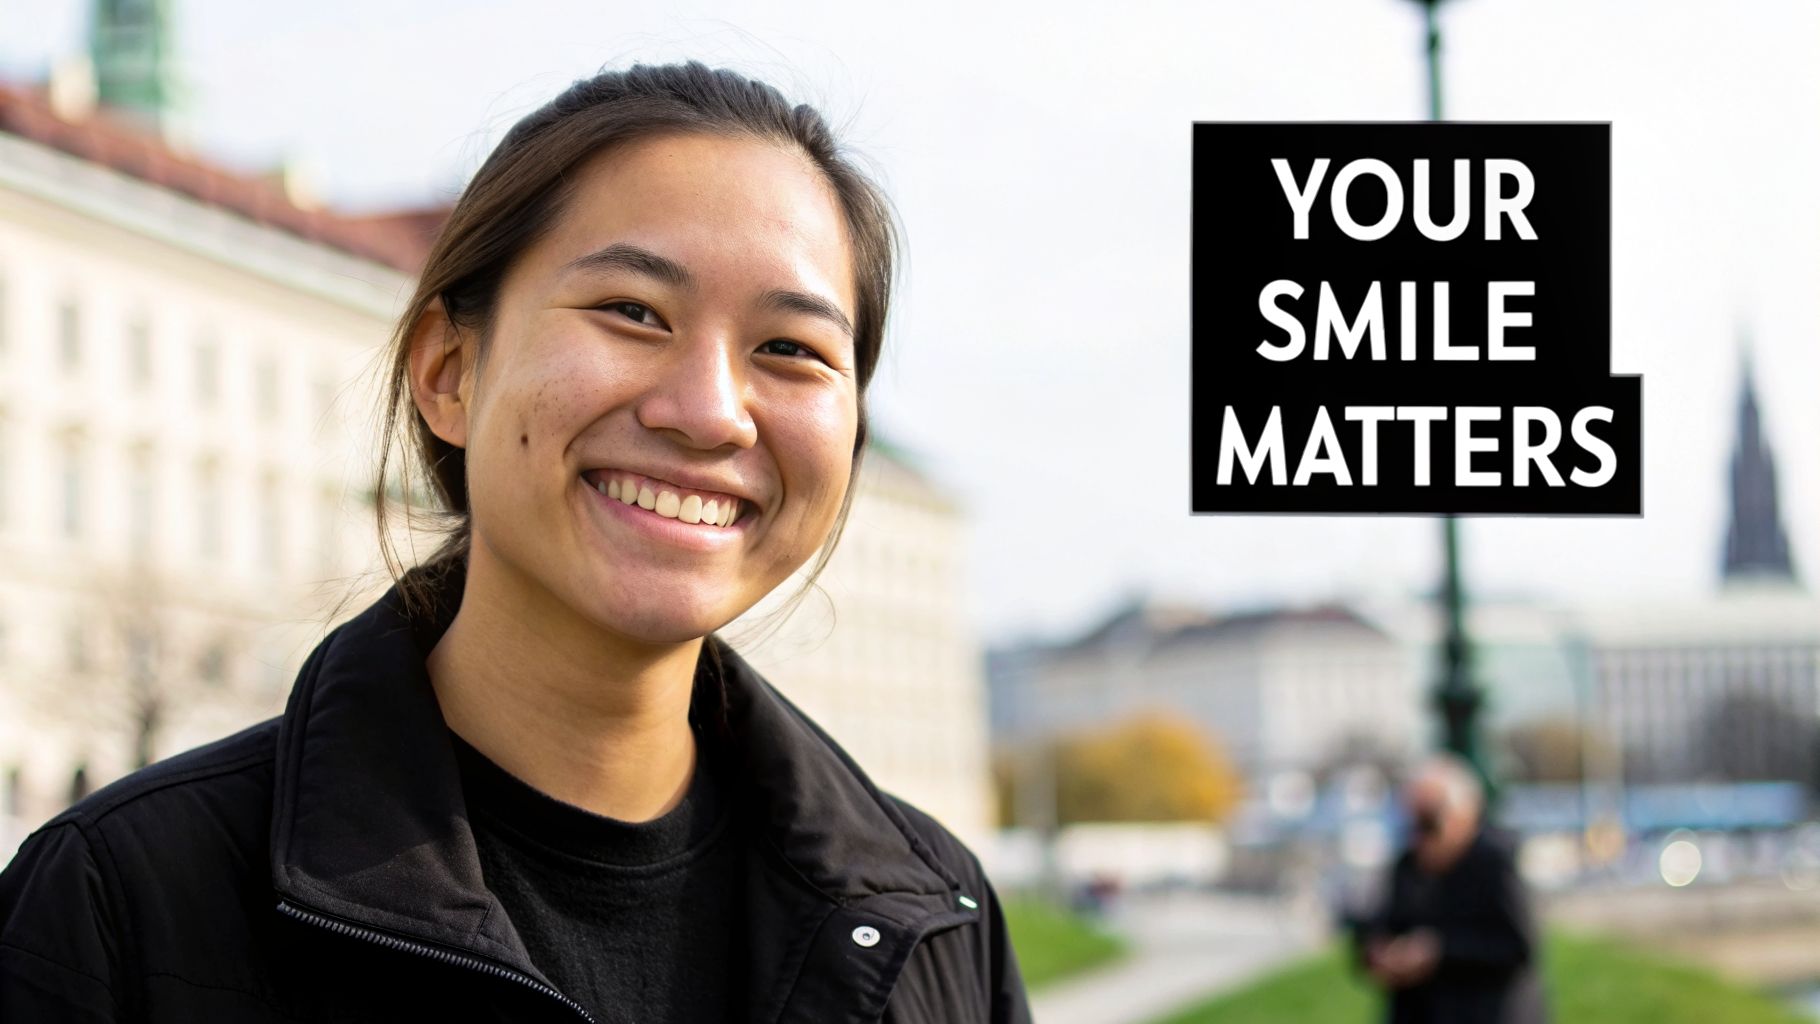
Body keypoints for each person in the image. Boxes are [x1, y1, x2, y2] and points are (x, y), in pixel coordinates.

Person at [0, 61, 1032, 1024]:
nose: (711, 412)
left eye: (789, 349)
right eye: (633, 311)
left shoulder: (939, 923)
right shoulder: (118, 903)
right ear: (448, 371)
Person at [1354, 753, 1548, 1024]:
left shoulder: (1495, 863)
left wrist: (1439, 951)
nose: (1416, 836)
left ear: (1465, 814)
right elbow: (1376, 924)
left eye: (1427, 822)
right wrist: (1380, 952)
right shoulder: (1406, 865)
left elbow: (1518, 946)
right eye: (1407, 823)